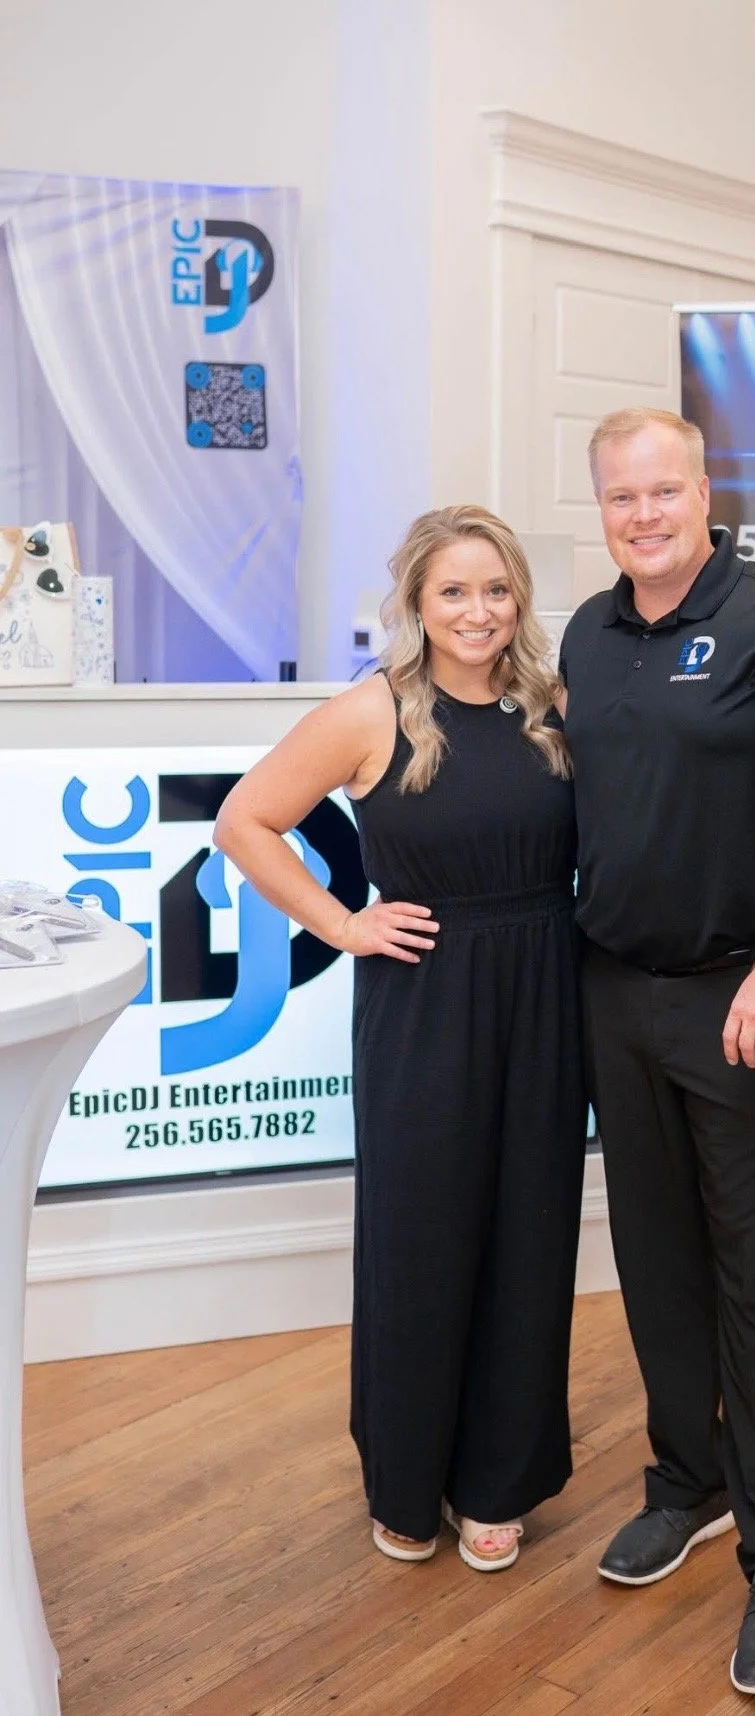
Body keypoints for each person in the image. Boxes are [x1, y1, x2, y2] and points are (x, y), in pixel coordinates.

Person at [559, 408, 755, 1697]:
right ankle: (687, 1484)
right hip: (617, 996)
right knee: (656, 1261)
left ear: (706, 489)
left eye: (663, 490)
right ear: (602, 507)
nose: (643, 514)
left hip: (750, 999)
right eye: (620, 496)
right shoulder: (589, 631)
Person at [214, 505, 586, 1573]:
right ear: (417, 606)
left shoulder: (551, 706)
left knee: (528, 1234)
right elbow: (245, 819)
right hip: (422, 995)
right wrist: (341, 924)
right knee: (420, 1239)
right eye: (453, 591)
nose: (477, 610)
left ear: (519, 599)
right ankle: (407, 1477)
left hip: (544, 990)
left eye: (496, 589)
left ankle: (497, 1481)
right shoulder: (373, 710)